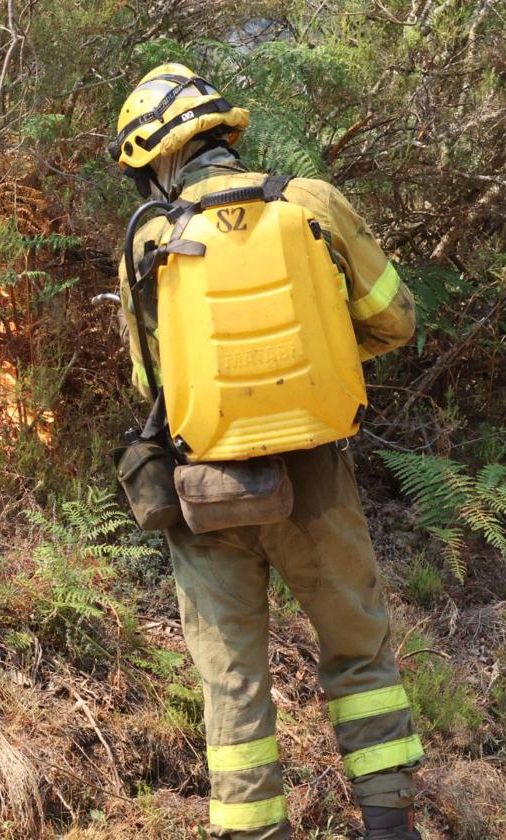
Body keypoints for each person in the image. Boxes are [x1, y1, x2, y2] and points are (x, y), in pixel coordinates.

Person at [111, 64, 424, 840]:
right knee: (361, 655)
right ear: (224, 132)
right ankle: (389, 826)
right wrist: (313, 361)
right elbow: (397, 321)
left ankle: (254, 831)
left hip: (205, 487)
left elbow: (147, 379)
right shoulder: (312, 203)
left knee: (232, 682)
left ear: (160, 155)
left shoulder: (149, 237)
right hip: (317, 476)